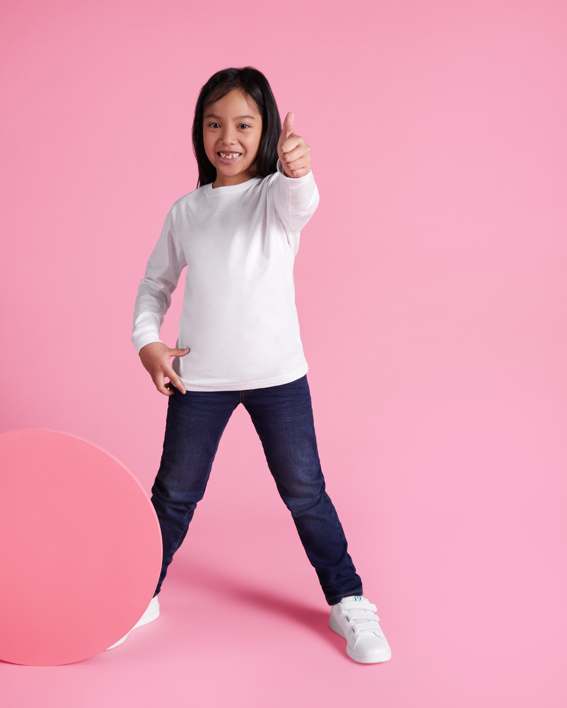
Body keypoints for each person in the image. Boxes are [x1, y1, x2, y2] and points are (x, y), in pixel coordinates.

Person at [108, 67, 391, 664]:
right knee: (174, 495)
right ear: (199, 132)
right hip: (198, 381)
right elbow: (154, 285)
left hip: (277, 379)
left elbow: (301, 199)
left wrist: (297, 168)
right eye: (214, 124)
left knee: (305, 493)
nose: (228, 137)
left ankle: (348, 600)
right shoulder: (187, 211)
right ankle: (138, 592)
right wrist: (147, 342)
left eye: (244, 124)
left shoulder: (274, 198)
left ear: (265, 131)